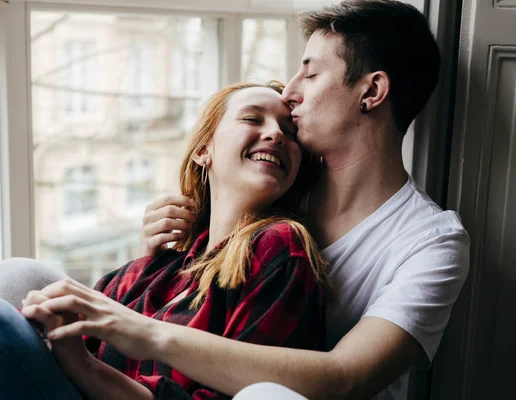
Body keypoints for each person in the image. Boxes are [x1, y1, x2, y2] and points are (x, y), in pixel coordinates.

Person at [36, 1, 470, 399]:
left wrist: (144, 331)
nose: (291, 91)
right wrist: (158, 266)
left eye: (311, 73)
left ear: (371, 92)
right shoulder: (276, 186)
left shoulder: (431, 243)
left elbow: (346, 377)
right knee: (16, 284)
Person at [0, 81, 328, 400]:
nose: (276, 134)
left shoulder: (280, 247)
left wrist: (80, 363)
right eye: (253, 119)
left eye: (289, 130)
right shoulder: (161, 262)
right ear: (204, 150)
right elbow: (59, 344)